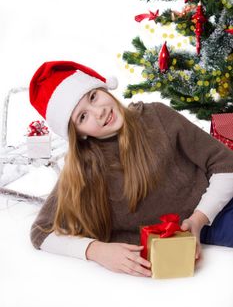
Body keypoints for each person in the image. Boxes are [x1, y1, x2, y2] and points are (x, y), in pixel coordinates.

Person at [29, 61, 233, 278]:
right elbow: (41, 232)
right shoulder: (84, 168)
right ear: (78, 133)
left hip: (216, 211)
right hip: (168, 244)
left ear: (102, 87)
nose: (99, 112)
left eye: (93, 97)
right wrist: (96, 250)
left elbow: (226, 164)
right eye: (82, 116)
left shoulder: (157, 117)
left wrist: (198, 219)